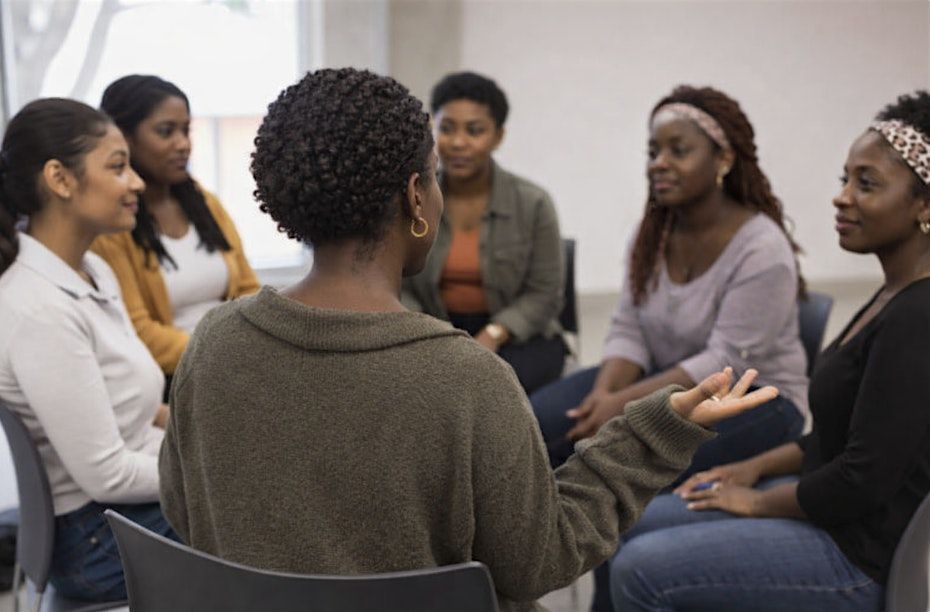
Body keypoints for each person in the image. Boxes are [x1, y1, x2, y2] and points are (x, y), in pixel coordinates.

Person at [157, 68, 777, 612]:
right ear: (414, 197)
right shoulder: (466, 379)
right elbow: (539, 562)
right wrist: (654, 432)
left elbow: (186, 512)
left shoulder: (213, 344)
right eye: (432, 175)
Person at [604, 90, 930, 612]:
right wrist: (751, 468)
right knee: (628, 520)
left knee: (640, 570)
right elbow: (835, 438)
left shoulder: (918, 316)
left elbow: (861, 481)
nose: (841, 197)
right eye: (844, 179)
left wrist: (757, 502)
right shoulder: (892, 294)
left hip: (855, 557)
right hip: (827, 512)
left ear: (924, 206)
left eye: (865, 184)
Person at [532, 85, 809, 475]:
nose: (658, 164)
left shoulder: (762, 249)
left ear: (724, 159)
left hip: (752, 397)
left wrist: (624, 407)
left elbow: (723, 362)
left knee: (620, 455)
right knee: (534, 423)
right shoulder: (652, 235)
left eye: (678, 151)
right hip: (666, 379)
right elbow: (629, 328)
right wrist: (603, 395)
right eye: (653, 152)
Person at [0, 98, 176, 601]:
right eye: (118, 166)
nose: (137, 182)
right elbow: (108, 476)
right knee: (280, 522)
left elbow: (136, 407)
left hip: (123, 510)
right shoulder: (37, 309)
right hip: (97, 540)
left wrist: (213, 437)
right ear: (60, 179)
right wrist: (214, 472)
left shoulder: (92, 271)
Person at [401, 71, 566, 394]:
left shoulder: (532, 202)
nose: (458, 142)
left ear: (498, 136)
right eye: (447, 128)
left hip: (515, 336)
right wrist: (431, 333)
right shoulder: (414, 197)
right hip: (433, 329)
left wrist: (494, 333)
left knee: (493, 390)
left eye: (474, 130)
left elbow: (545, 293)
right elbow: (398, 280)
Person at [91, 75, 259, 384]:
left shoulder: (206, 204)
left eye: (186, 130)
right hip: (176, 379)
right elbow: (137, 331)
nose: (183, 144)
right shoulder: (112, 225)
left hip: (237, 363)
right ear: (124, 138)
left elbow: (249, 289)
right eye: (166, 131)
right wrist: (226, 353)